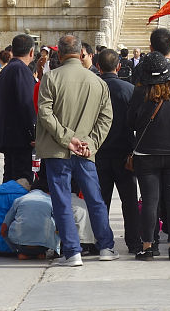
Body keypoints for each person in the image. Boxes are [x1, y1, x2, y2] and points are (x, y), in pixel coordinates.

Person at [36, 34, 118, 266]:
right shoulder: (98, 82)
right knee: (95, 199)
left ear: (59, 54)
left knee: (62, 200)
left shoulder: (50, 78)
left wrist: (66, 138)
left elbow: (45, 114)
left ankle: (72, 251)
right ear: (82, 53)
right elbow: (106, 118)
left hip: (57, 149)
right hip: (85, 151)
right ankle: (106, 246)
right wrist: (89, 143)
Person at [130, 51, 170, 260]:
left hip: (146, 153)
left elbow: (130, 122)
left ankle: (148, 246)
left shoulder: (140, 93)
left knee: (150, 200)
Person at [94, 49, 141, 255]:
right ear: (119, 66)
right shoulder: (129, 89)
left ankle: (101, 241)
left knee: (100, 200)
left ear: (98, 67)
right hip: (125, 151)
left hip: (99, 151)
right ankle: (134, 241)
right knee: (129, 200)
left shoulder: (93, 88)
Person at [0, 34, 37, 183]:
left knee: (9, 178)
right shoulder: (22, 71)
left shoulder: (4, 71)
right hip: (20, 138)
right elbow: (27, 104)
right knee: (21, 181)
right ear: (31, 52)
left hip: (8, 134)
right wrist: (34, 133)